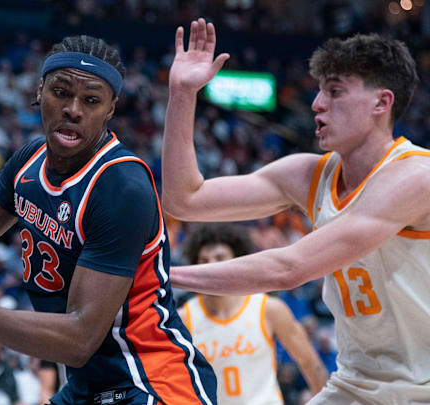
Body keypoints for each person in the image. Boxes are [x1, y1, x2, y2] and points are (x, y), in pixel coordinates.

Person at [0, 35, 217, 404]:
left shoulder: (121, 186)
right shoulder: (29, 160)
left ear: (111, 109)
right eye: (61, 93)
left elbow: (80, 338)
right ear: (40, 91)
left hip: (154, 382)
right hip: (87, 388)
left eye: (91, 100)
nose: (73, 110)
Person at [162, 18, 430, 404]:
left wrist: (162, 276)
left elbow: (288, 269)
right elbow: (184, 200)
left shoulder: (414, 176)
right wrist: (183, 94)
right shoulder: (308, 174)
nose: (317, 104)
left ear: (381, 102)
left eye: (335, 92)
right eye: (320, 91)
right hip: (357, 383)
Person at [177, 223, 328, 404]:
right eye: (203, 261)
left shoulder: (269, 309)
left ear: (237, 262)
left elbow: (311, 364)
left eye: (220, 258)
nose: (211, 267)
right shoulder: (183, 319)